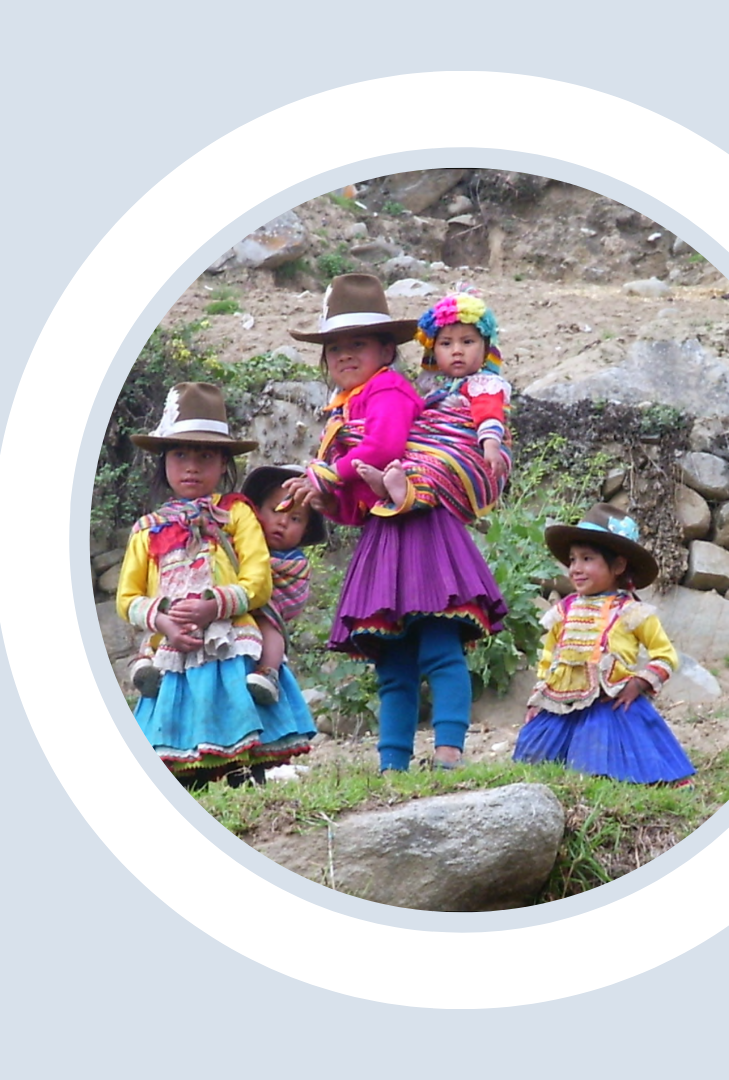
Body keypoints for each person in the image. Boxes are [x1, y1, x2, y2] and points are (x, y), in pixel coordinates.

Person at [284, 273, 508, 771]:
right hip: (385, 537)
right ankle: (393, 765)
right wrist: (328, 500)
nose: (343, 355)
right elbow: (357, 498)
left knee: (438, 643)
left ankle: (448, 751)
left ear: (387, 351)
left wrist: (330, 473)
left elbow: (383, 449)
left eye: (357, 345)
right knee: (394, 662)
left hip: (424, 533)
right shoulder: (345, 412)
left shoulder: (387, 392)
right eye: (335, 348)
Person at [116, 382, 317, 787]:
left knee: (247, 738)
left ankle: (252, 787)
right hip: (176, 649)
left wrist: (214, 607)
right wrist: (165, 622)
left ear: (224, 462)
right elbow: (128, 598)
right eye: (180, 455)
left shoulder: (237, 515)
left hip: (232, 644)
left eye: (205, 455)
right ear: (164, 462)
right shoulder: (147, 530)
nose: (192, 466)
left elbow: (258, 582)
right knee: (181, 751)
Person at [513, 503, 695, 786]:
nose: (576, 568)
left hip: (610, 703)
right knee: (534, 754)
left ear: (618, 565)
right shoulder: (564, 610)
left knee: (602, 757)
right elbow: (550, 656)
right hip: (563, 703)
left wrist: (639, 683)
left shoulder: (632, 612)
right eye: (572, 560)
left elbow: (665, 655)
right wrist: (539, 696)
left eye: (587, 559)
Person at [353, 287, 512, 523]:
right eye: (446, 344)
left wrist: (490, 446)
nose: (457, 351)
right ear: (433, 350)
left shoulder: (484, 384)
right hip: (433, 444)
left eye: (467, 342)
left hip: (465, 449)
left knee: (438, 466)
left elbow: (488, 415)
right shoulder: (433, 389)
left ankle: (407, 491)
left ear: (486, 347)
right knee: (409, 453)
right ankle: (391, 481)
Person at [240, 464, 327, 706]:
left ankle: (269, 671)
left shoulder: (293, 563)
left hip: (265, 615)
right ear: (256, 511)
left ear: (305, 530)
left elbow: (289, 597)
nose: (283, 522)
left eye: (295, 518)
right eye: (276, 510)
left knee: (270, 622)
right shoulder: (239, 545)